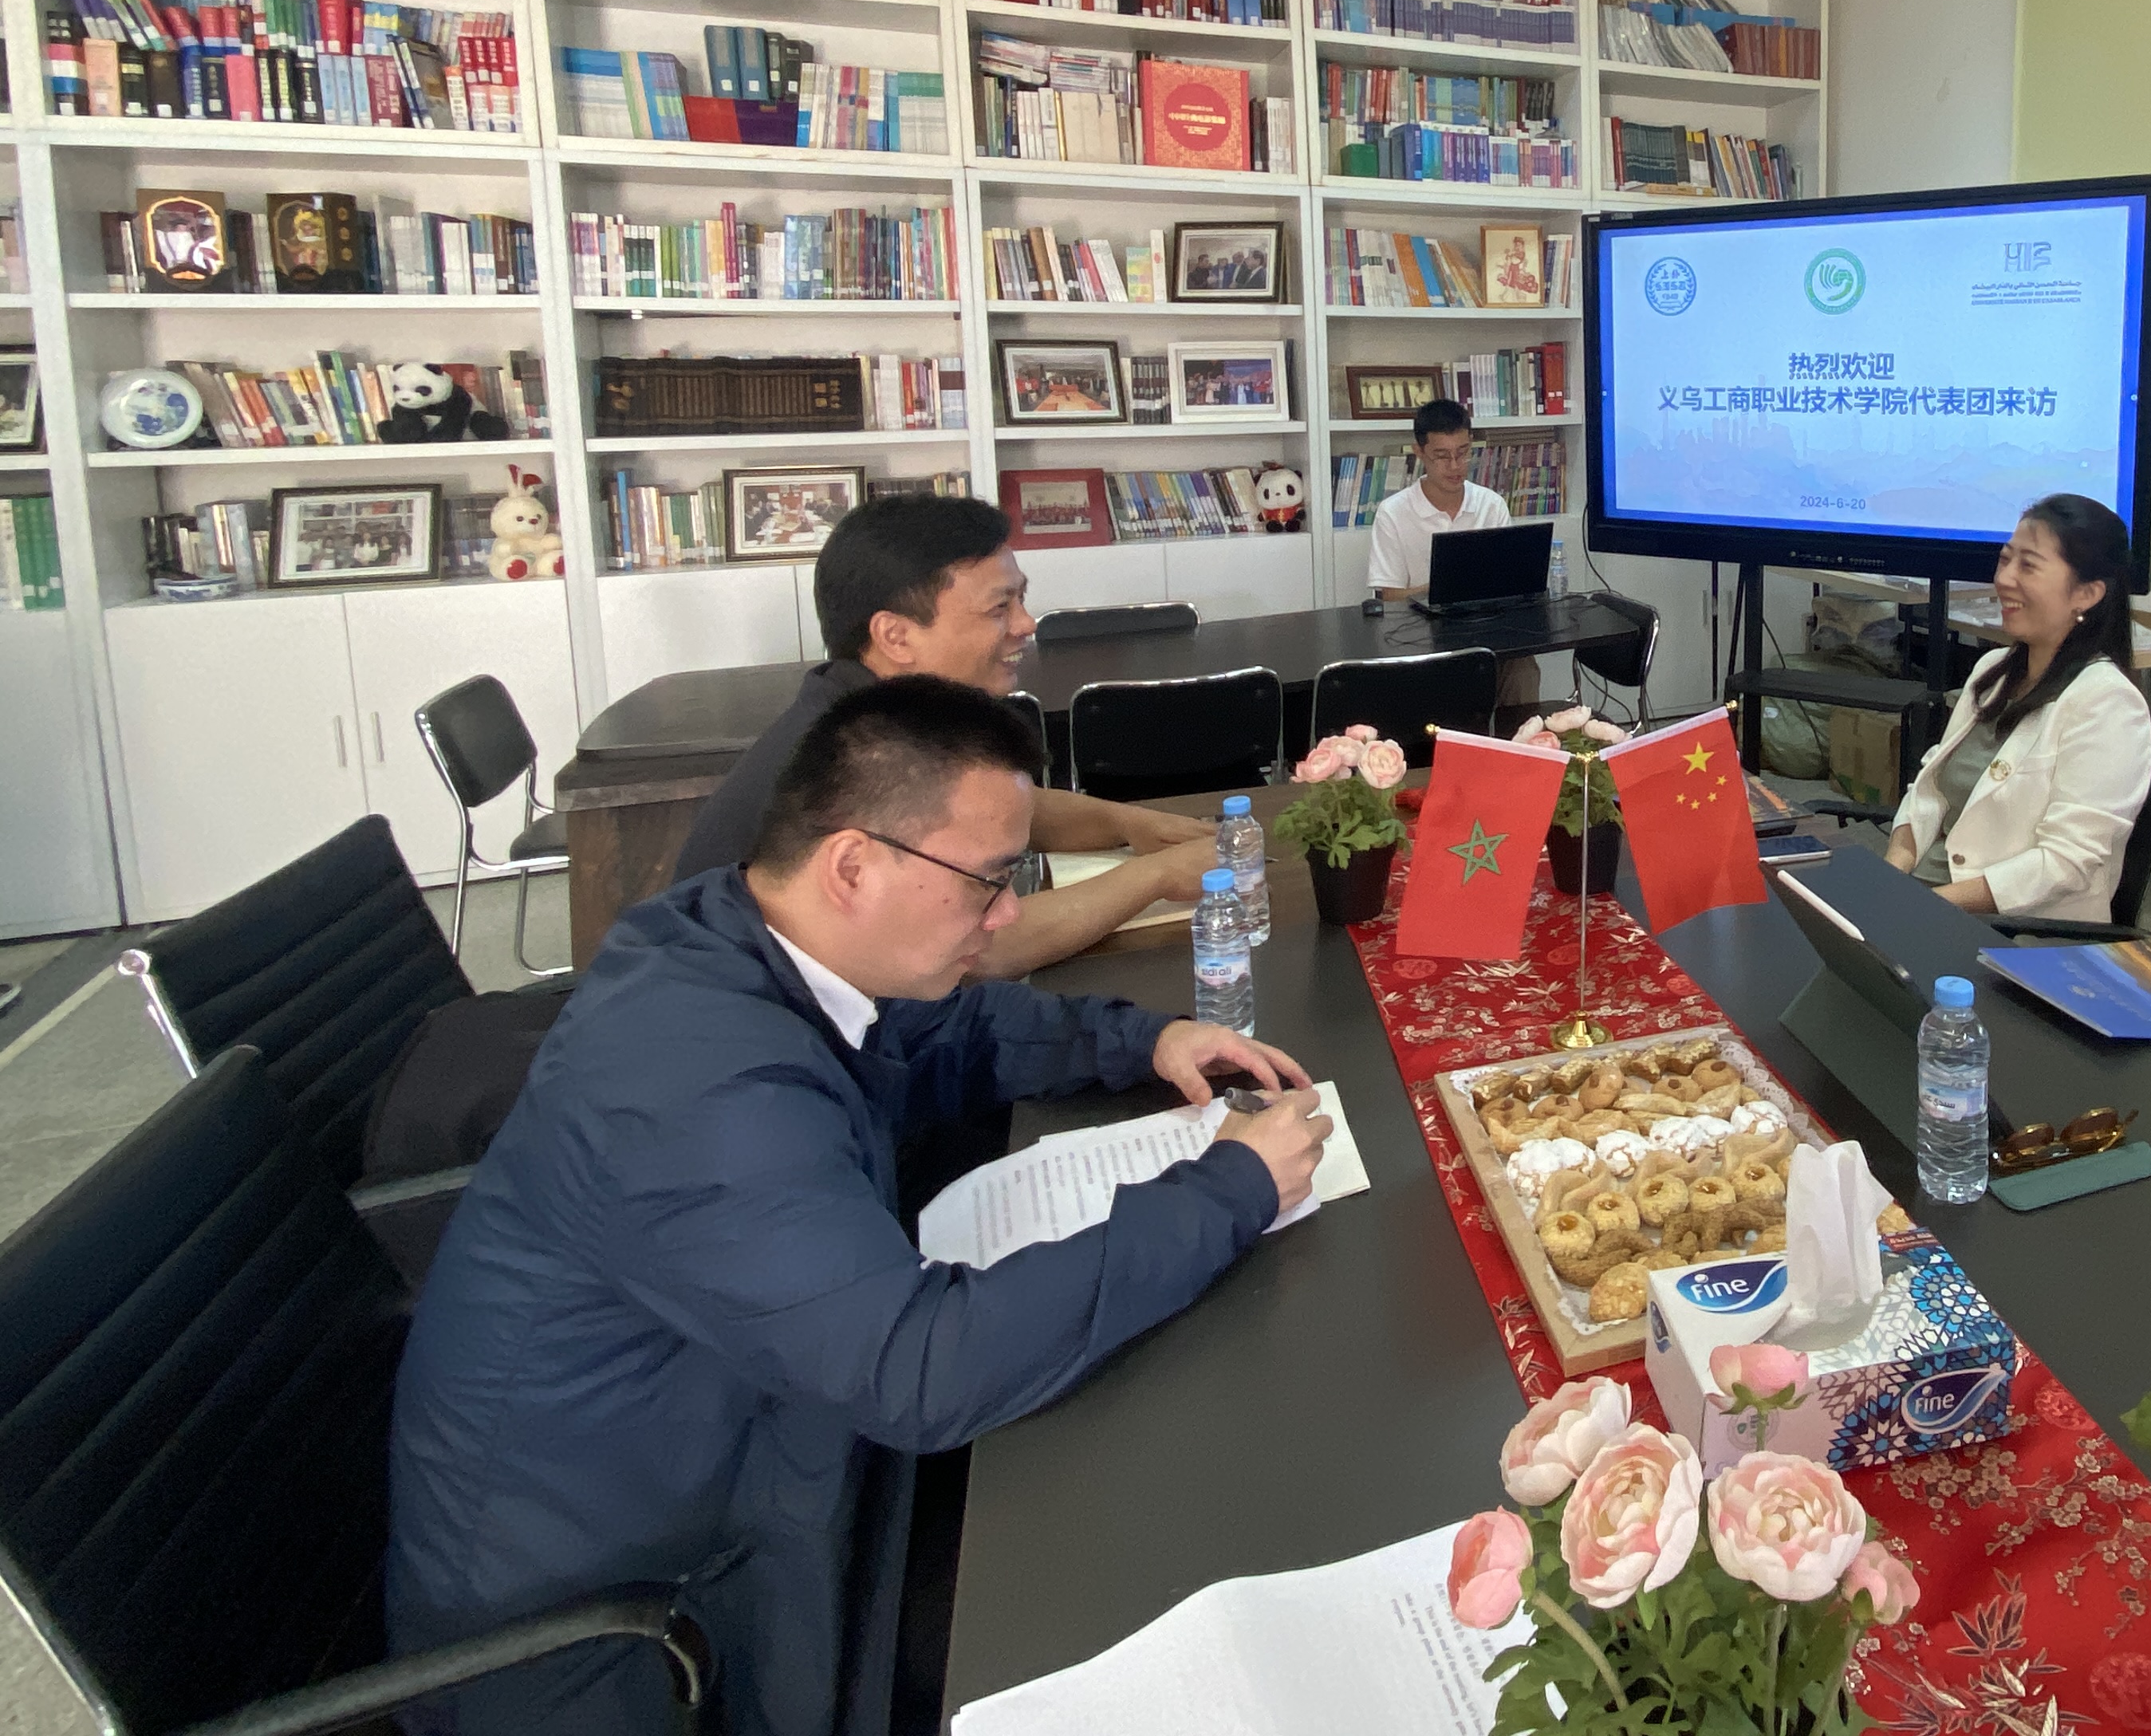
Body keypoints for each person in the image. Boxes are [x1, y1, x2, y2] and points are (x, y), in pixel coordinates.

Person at [387, 676, 1330, 1736]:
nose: (1007, 913)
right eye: (986, 882)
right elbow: (921, 1370)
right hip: (631, 1636)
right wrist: (1229, 1191)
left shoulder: (741, 936)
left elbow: (940, 1037)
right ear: (851, 866)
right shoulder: (699, 1095)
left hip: (739, 1464)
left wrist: (1143, 1040)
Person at [674, 491, 1217, 974]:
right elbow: (974, 951)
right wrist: (1157, 876)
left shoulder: (873, 708)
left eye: (1021, 600)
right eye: (999, 608)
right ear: (896, 636)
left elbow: (997, 812)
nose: (1027, 624)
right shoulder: (856, 760)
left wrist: (1132, 824)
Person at [1885, 494, 2151, 921]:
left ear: (2086, 594)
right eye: (2005, 559)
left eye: (2028, 566)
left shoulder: (2107, 703)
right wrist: (1890, 876)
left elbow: (2065, 864)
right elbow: (1929, 791)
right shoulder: (1992, 670)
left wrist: (1925, 908)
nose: (2004, 579)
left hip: (2014, 928)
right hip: (1927, 903)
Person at [1367, 396, 1538, 715]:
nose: (1456, 466)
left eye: (1463, 453)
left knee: (1524, 668)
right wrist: (1439, 589)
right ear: (1419, 452)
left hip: (1488, 632)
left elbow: (1510, 582)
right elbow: (1388, 595)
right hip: (1421, 637)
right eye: (1442, 456)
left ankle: (1518, 743)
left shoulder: (1490, 504)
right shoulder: (1393, 512)